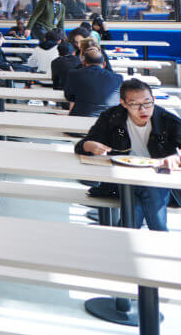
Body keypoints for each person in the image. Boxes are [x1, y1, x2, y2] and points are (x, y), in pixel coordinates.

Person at [75, 79, 181, 231]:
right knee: (145, 193)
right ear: (123, 103)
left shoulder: (167, 120)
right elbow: (82, 145)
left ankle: (125, 236)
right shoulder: (112, 118)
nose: (143, 109)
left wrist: (175, 158)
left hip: (158, 180)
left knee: (145, 192)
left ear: (153, 99)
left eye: (147, 102)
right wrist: (90, 145)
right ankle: (160, 234)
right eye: (134, 104)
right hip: (121, 180)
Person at [64, 47, 122, 117]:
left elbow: (68, 96)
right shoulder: (118, 78)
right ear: (104, 64)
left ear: (83, 63)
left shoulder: (74, 74)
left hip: (81, 116)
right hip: (109, 118)